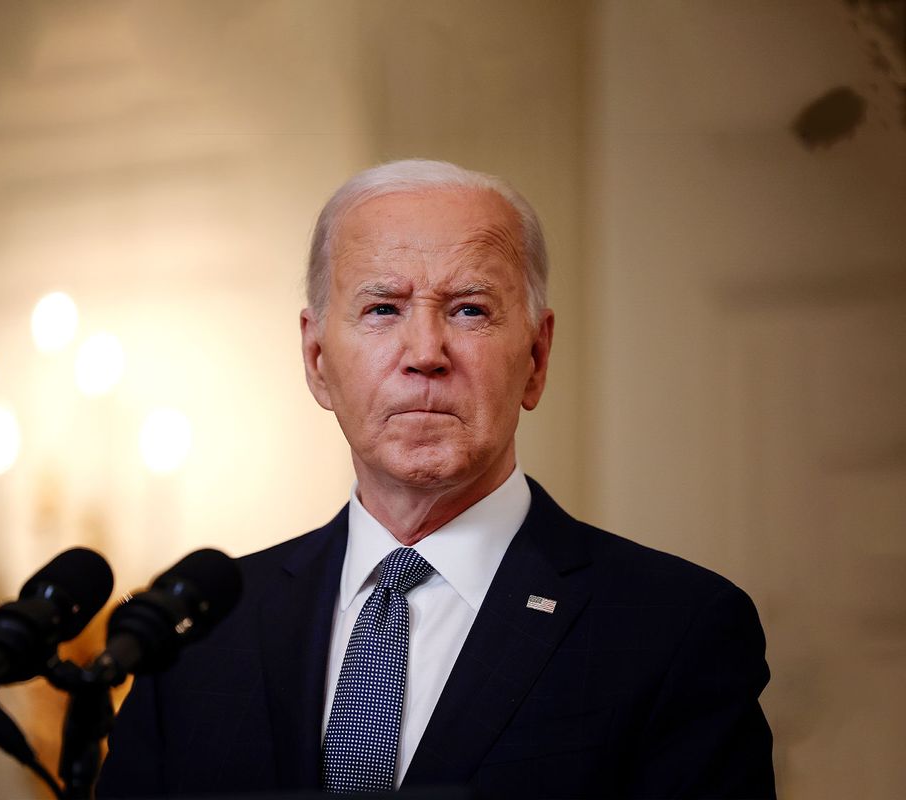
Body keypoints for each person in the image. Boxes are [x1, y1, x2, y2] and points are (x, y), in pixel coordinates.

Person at [97, 160, 775, 798]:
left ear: (536, 358)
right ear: (315, 358)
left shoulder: (673, 630)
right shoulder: (195, 636)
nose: (425, 354)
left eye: (469, 310)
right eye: (383, 308)